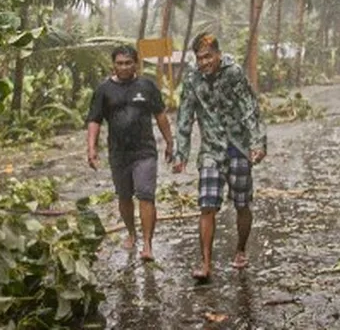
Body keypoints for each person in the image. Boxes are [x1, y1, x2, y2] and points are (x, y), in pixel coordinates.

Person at [172, 32, 267, 281]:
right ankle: (205, 263)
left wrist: (258, 141)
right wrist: (180, 152)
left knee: (242, 204)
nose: (204, 63)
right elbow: (185, 114)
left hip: (238, 146)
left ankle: (240, 249)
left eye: (208, 57)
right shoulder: (192, 78)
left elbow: (249, 107)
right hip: (211, 150)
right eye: (200, 58)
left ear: (218, 53)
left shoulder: (233, 72)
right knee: (207, 205)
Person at [86, 45, 174, 261]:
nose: (124, 67)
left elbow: (160, 115)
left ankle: (147, 244)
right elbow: (94, 120)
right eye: (119, 63)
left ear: (136, 64)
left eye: (128, 63)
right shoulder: (103, 90)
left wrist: (170, 142)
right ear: (113, 65)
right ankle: (131, 233)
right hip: (118, 153)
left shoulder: (147, 86)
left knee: (146, 195)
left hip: (144, 151)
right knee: (124, 197)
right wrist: (91, 147)